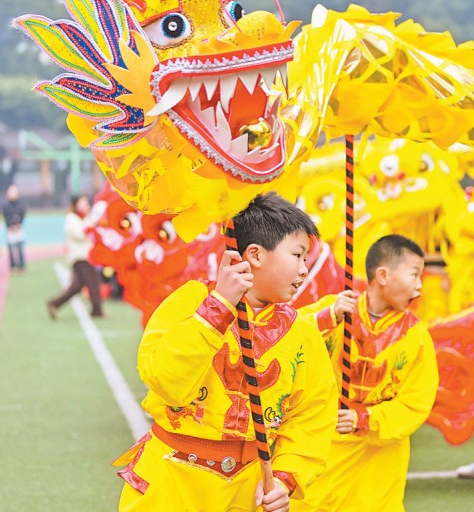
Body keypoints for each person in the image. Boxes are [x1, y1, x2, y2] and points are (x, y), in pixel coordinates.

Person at [112, 192, 337, 511]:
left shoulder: (302, 332)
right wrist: (217, 309)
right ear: (256, 255)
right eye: (298, 255)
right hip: (172, 483)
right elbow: (163, 377)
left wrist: (286, 478)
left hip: (249, 492)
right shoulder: (191, 301)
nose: (304, 270)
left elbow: (311, 415)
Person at [293, 235, 439, 512]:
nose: (420, 286)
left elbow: (416, 403)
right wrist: (326, 317)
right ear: (383, 275)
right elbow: (285, 336)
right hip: (327, 436)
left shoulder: (417, 336)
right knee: (308, 503)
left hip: (380, 451)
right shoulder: (337, 309)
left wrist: (365, 419)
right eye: (414, 274)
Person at [47, 194, 103, 318]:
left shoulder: (84, 218)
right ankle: (97, 310)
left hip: (87, 256)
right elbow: (81, 234)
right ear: (76, 204)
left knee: (77, 286)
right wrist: (90, 223)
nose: (86, 205)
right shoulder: (71, 219)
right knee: (92, 282)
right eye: (82, 202)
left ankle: (55, 303)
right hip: (79, 257)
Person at [2, 184, 26, 273]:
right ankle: (13, 266)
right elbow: (5, 215)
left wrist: (19, 224)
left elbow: (23, 213)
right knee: (11, 249)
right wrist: (10, 225)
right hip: (10, 229)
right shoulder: (6, 205)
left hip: (19, 228)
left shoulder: (20, 203)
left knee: (20, 248)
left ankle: (22, 266)